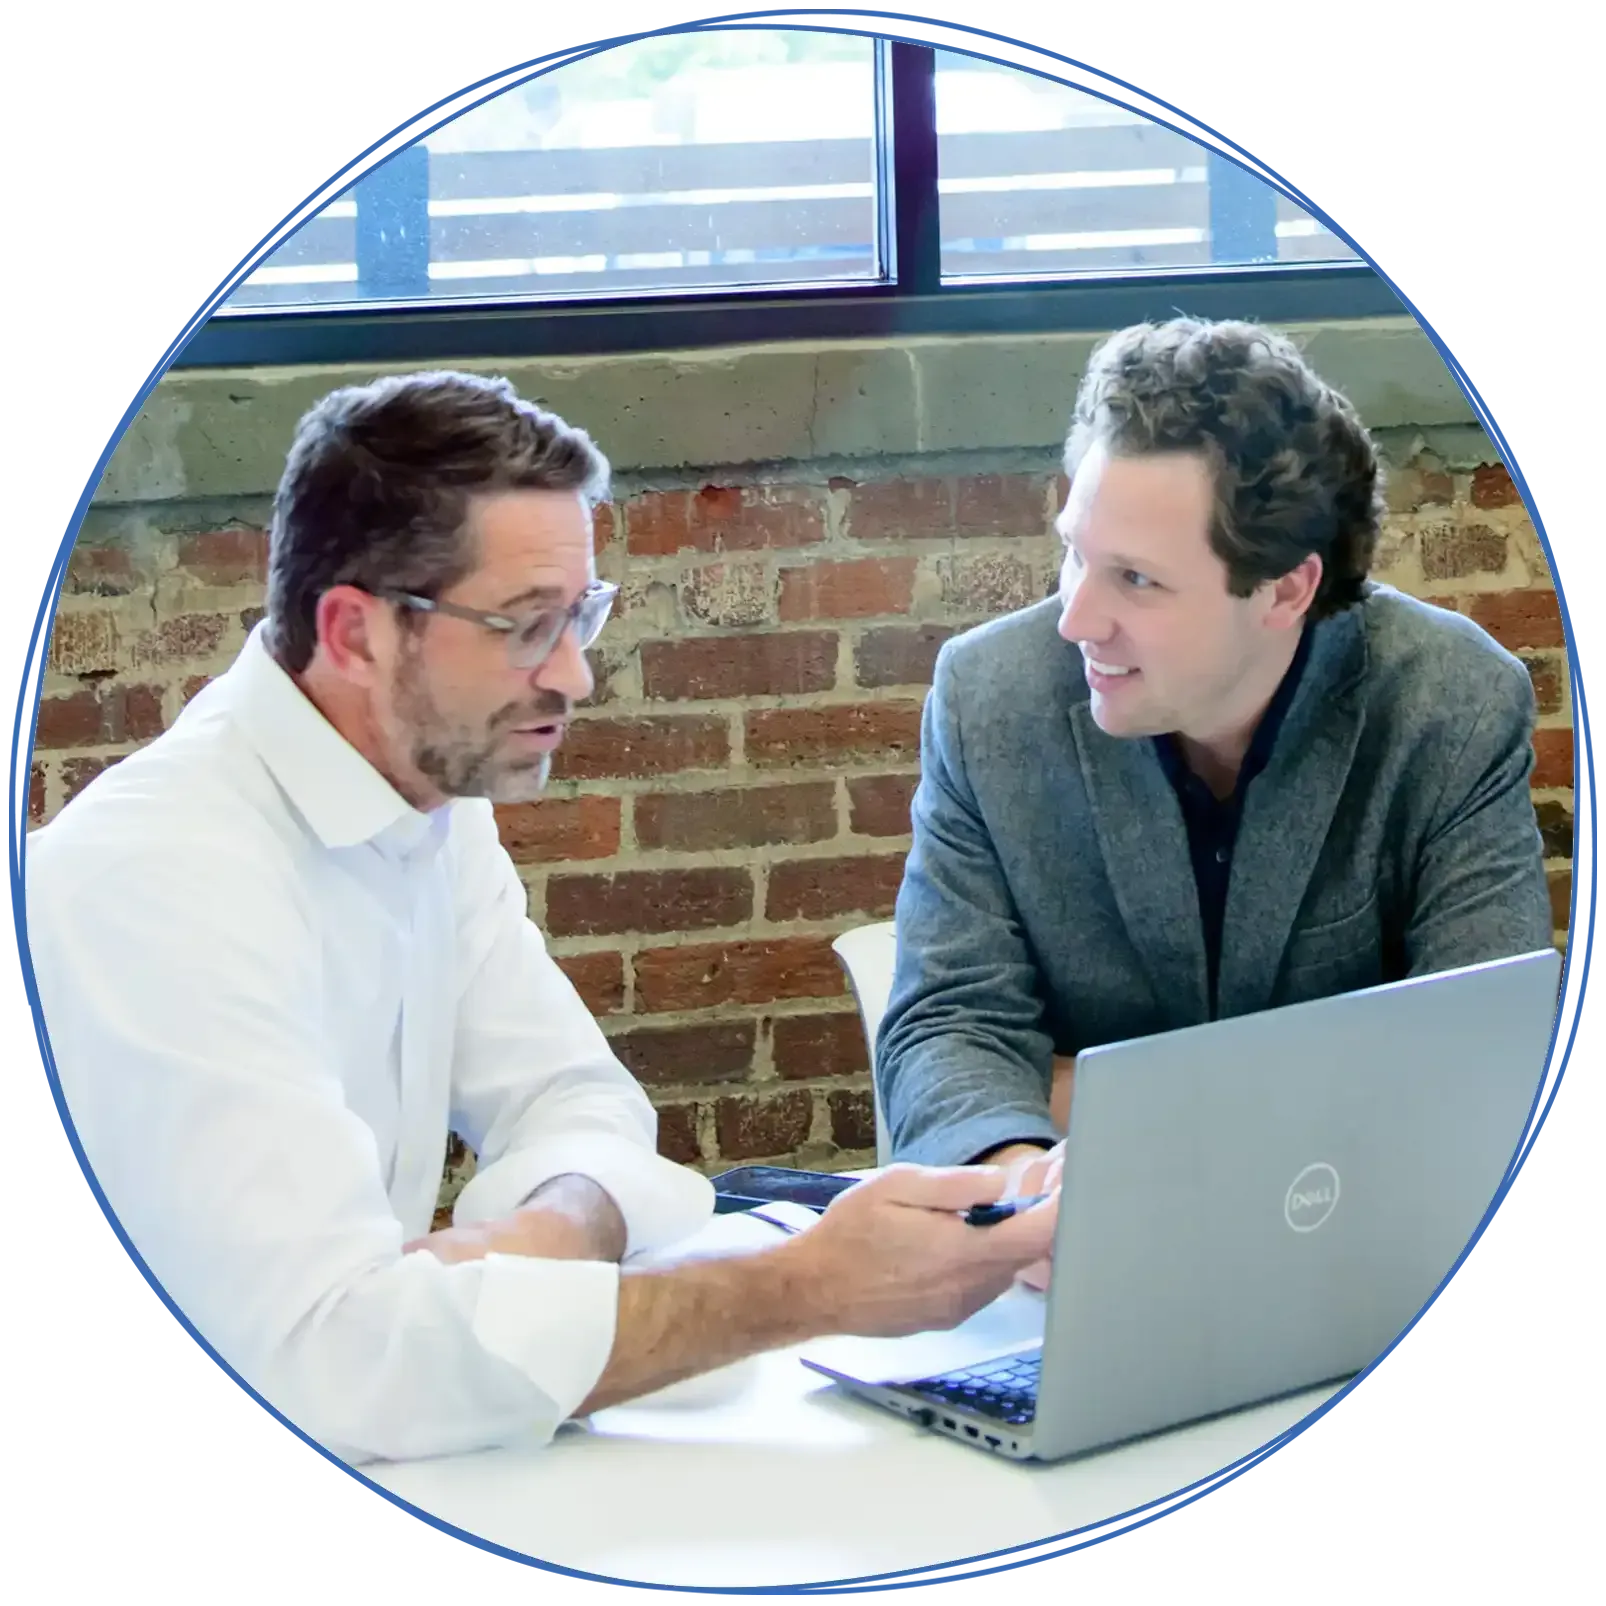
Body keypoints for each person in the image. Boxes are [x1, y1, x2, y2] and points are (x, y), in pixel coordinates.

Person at [26, 370, 1059, 1466]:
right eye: (525, 627)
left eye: (579, 616)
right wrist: (800, 1289)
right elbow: (329, 1365)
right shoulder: (154, 881)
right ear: (355, 633)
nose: (575, 675)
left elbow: (579, 1100)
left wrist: (540, 1241)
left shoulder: (424, 789)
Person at [876, 317, 1553, 1231]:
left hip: (1351, 1231)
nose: (1076, 618)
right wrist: (1022, 1183)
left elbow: (1479, 1059)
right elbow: (949, 1026)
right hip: (1073, 1240)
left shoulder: (1450, 704)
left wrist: (1095, 1093)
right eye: (1075, 551)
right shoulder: (988, 698)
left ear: (1286, 590)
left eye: (1136, 580)